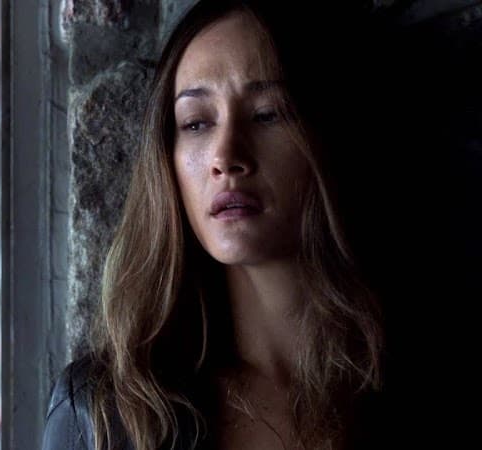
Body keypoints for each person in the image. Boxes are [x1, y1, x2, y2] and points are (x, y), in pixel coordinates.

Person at [41, 2, 394, 449]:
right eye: (196, 123)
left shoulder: (424, 388)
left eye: (267, 114)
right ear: (166, 159)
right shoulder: (104, 415)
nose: (225, 156)